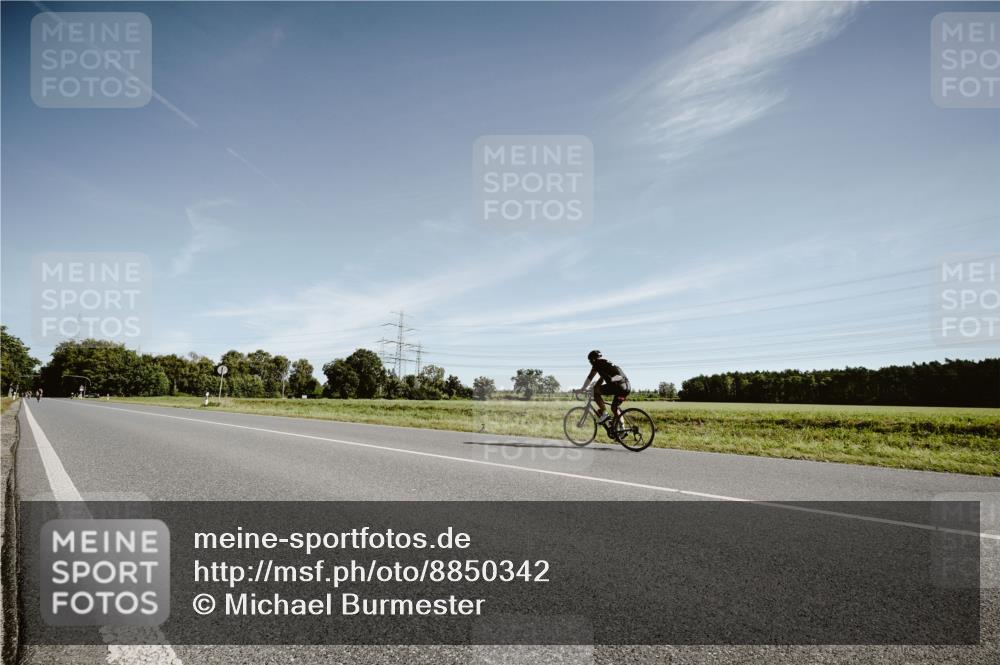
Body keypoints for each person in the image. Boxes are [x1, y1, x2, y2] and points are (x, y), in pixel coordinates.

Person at [580, 350, 630, 426]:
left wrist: (583, 389)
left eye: (590, 361)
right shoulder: (605, 364)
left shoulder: (597, 363)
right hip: (626, 386)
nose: (590, 363)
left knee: (594, 392)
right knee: (614, 408)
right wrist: (594, 388)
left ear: (593, 359)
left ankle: (605, 414)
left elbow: (590, 377)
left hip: (618, 386)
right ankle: (622, 429)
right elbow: (601, 379)